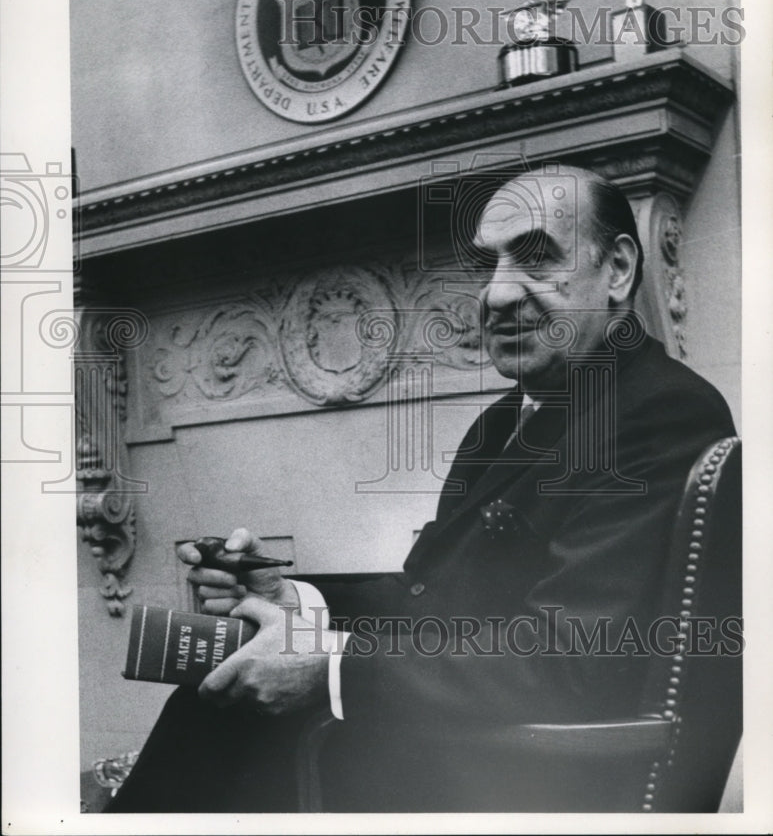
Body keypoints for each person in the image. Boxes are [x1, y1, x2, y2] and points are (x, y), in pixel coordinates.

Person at [109, 165, 736, 813]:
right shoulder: (505, 421)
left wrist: (329, 670)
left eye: (535, 257)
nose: (496, 295)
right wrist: (293, 597)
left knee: (221, 721)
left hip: (539, 781)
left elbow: (569, 661)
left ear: (617, 269)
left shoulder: (657, 413)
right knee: (218, 692)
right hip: (477, 745)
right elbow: (426, 597)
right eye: (486, 266)